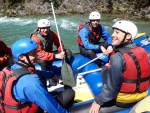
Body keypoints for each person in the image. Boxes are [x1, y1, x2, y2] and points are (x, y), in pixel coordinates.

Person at [89, 20, 150, 113]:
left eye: (117, 32)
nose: (112, 35)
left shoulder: (118, 57)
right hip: (143, 95)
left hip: (124, 101)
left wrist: (98, 102)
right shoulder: (143, 51)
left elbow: (111, 87)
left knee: (105, 68)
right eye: (113, 32)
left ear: (128, 36)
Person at [0, 38, 75, 113]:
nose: (37, 56)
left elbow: (33, 71)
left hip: (14, 108)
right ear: (21, 57)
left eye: (37, 52)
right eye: (33, 54)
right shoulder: (31, 82)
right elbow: (53, 108)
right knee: (70, 93)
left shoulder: (10, 69)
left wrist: (51, 74)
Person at [31, 19, 72, 87]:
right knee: (43, 62)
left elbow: (59, 43)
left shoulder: (52, 33)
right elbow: (39, 53)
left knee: (68, 52)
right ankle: (49, 79)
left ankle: (65, 72)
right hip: (39, 56)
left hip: (49, 53)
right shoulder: (35, 38)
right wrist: (55, 56)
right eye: (43, 28)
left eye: (47, 28)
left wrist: (61, 51)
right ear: (39, 29)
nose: (46, 30)